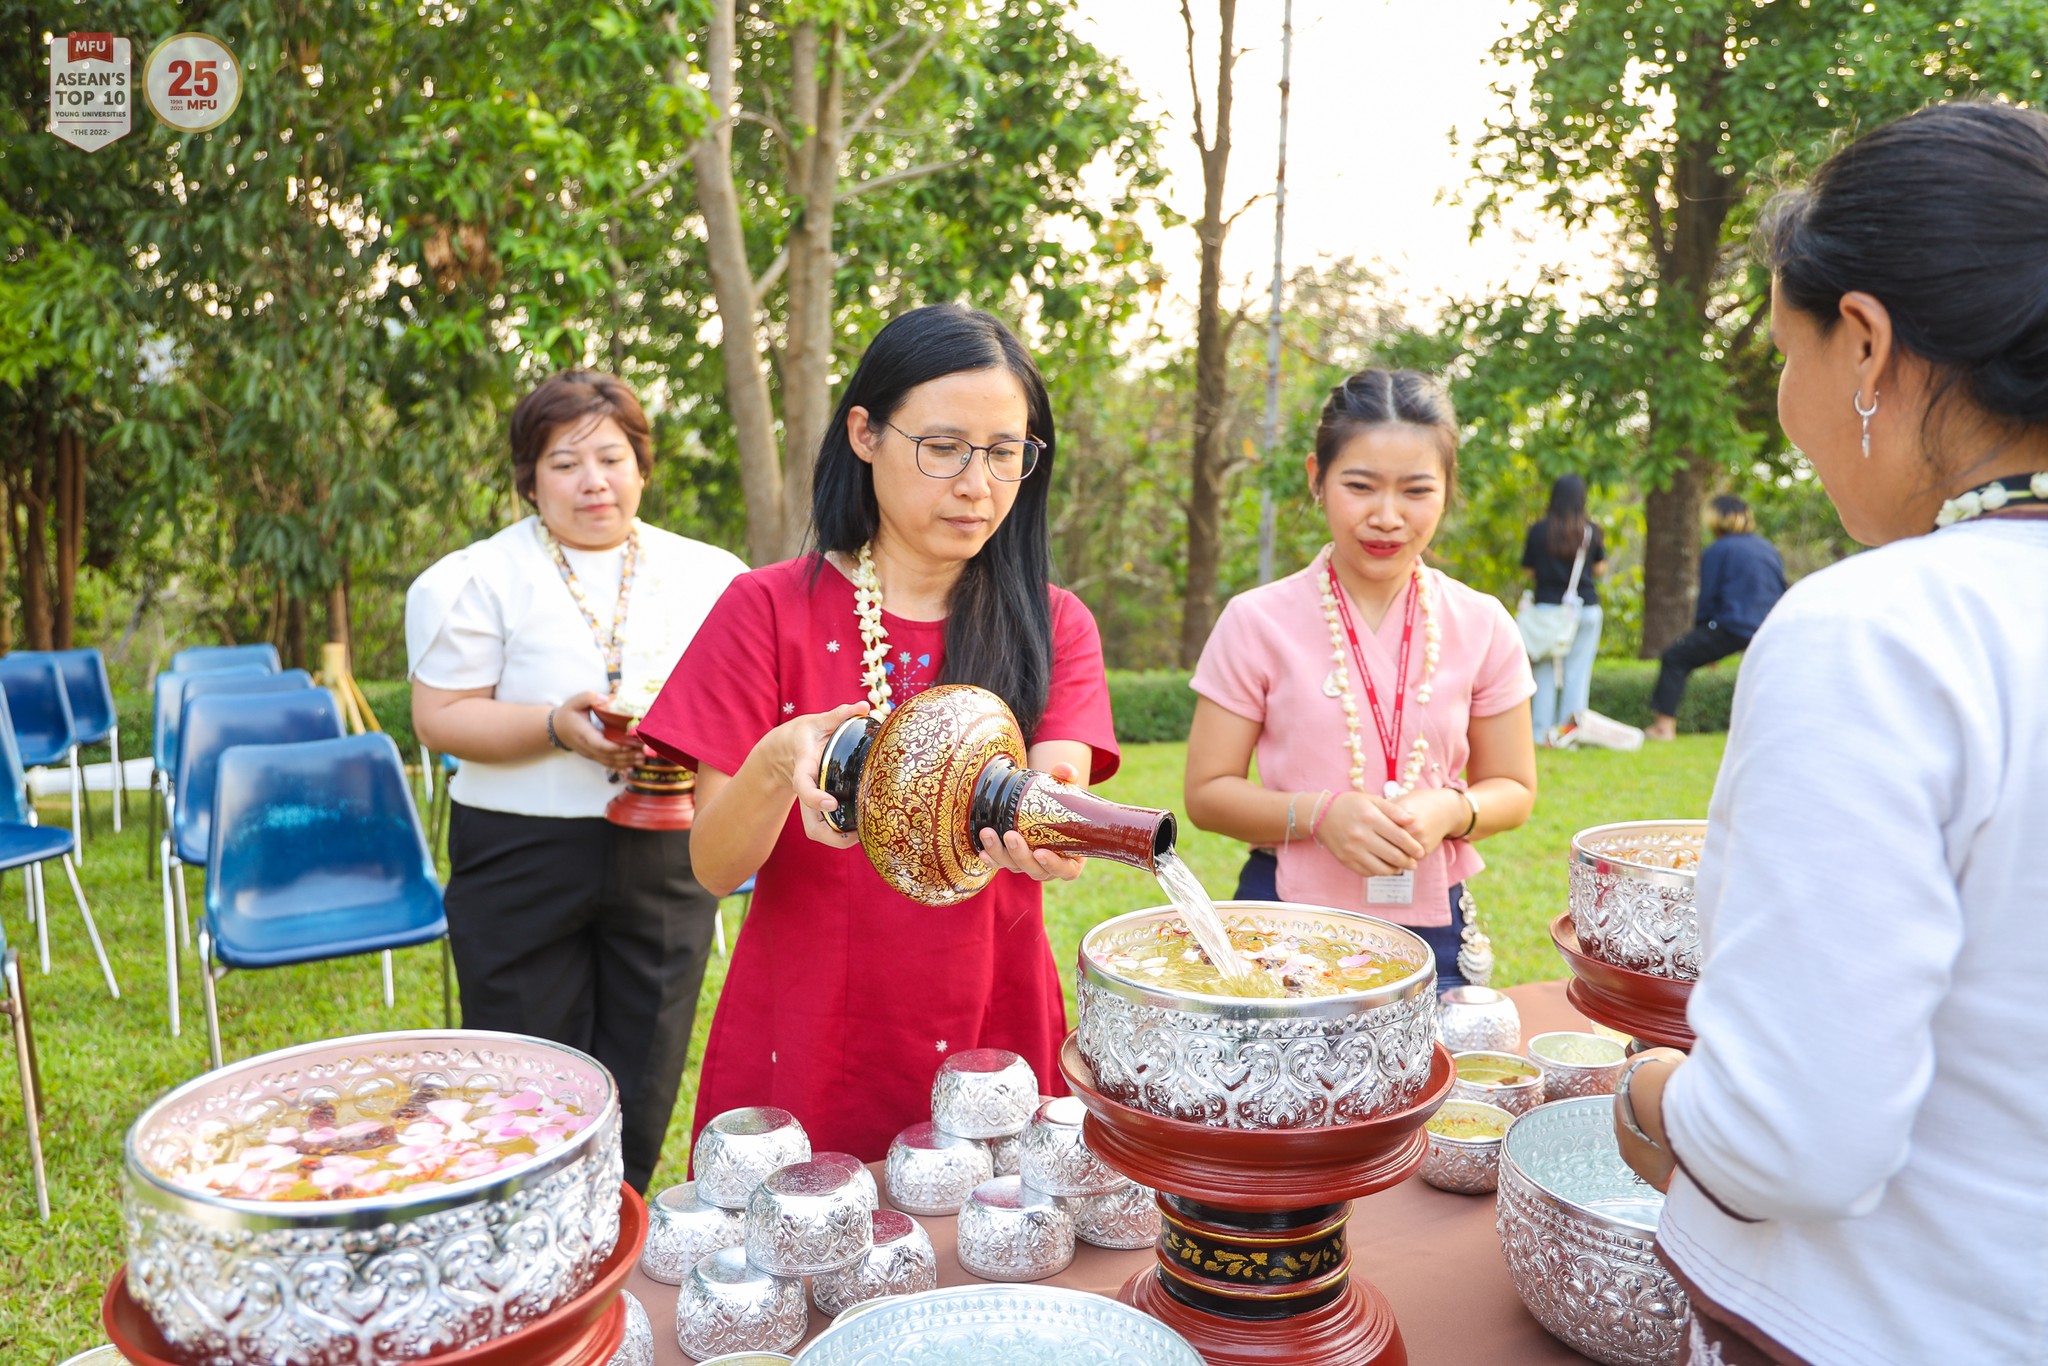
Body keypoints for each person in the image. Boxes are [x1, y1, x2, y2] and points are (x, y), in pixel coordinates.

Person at [1612, 102, 2048, 1365]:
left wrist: (1641, 1097)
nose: (1788, 415)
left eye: (1783, 356)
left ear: (1861, 341)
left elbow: (1788, 1139)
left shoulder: (1880, 628)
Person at [636, 305, 1118, 1161]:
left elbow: (1059, 785)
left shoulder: (1052, 624)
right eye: (944, 448)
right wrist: (781, 760)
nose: (978, 484)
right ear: (865, 433)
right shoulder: (766, 610)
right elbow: (713, 866)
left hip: (991, 1019)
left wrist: (1055, 824)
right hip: (812, 1024)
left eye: (1007, 452)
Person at [405, 370, 746, 1192]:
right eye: (564, 463)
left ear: (642, 467)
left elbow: (743, 711)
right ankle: (528, 1233)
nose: (593, 481)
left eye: (612, 457)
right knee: (525, 1070)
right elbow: (442, 716)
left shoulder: (715, 576)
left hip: (668, 851)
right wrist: (557, 726)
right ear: (528, 479)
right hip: (521, 854)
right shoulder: (473, 578)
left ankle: (617, 1224)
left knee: (647, 1058)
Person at [1182, 369, 1537, 991]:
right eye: (1360, 485)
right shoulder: (1255, 620)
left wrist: (1451, 808)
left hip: (1432, 924)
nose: (1387, 516)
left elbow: (1514, 788)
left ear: (1447, 491)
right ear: (1316, 480)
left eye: (1416, 490)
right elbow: (1207, 793)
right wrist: (1322, 815)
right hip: (1282, 922)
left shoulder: (1482, 623)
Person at [1643, 494, 1785, 741]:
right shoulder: (1766, 548)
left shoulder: (1718, 550)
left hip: (1733, 625)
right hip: (1770, 627)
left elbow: (1708, 598)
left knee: (1675, 658)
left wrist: (1703, 634)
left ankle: (1663, 728)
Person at [1519, 473, 1607, 746]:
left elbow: (1528, 569)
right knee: (1577, 673)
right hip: (1585, 608)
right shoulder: (1590, 531)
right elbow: (1600, 569)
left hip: (1547, 610)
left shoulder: (1539, 530)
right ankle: (1569, 734)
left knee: (1543, 671)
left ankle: (1540, 734)